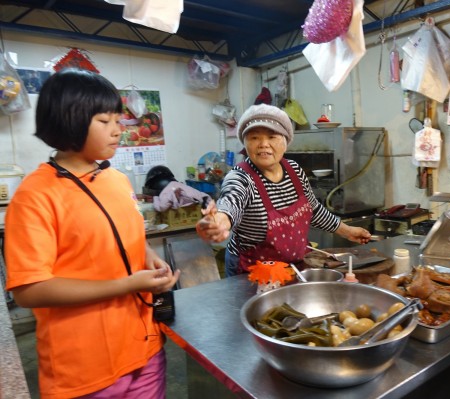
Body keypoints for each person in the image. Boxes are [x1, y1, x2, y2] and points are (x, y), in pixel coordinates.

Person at [4, 69, 180, 398]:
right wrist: (127, 284)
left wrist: (151, 259)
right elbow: (29, 290)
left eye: (118, 120)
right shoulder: (35, 195)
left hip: (145, 350)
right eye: (105, 121)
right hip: (85, 368)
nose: (118, 130)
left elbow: (129, 235)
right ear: (68, 121)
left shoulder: (117, 180)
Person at [196, 103, 371, 276]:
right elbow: (230, 202)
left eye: (272, 137)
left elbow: (314, 211)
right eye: (254, 137)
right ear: (245, 142)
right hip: (252, 271)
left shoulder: (294, 169)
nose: (263, 144)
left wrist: (347, 231)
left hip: (294, 266)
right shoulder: (241, 177)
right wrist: (220, 220)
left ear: (285, 141)